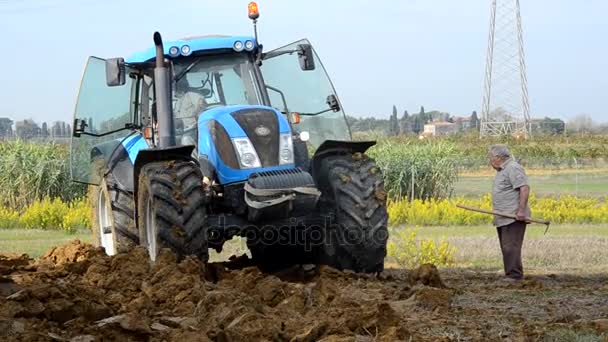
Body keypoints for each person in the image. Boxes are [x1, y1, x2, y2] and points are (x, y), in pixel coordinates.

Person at [489, 144, 531, 282]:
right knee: (506, 246)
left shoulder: (513, 168)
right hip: (503, 216)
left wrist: (521, 210)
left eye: (491, 158)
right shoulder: (502, 170)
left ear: (498, 157)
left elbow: (524, 188)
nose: (490, 161)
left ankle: (514, 275)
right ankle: (511, 273)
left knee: (510, 246)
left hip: (513, 216)